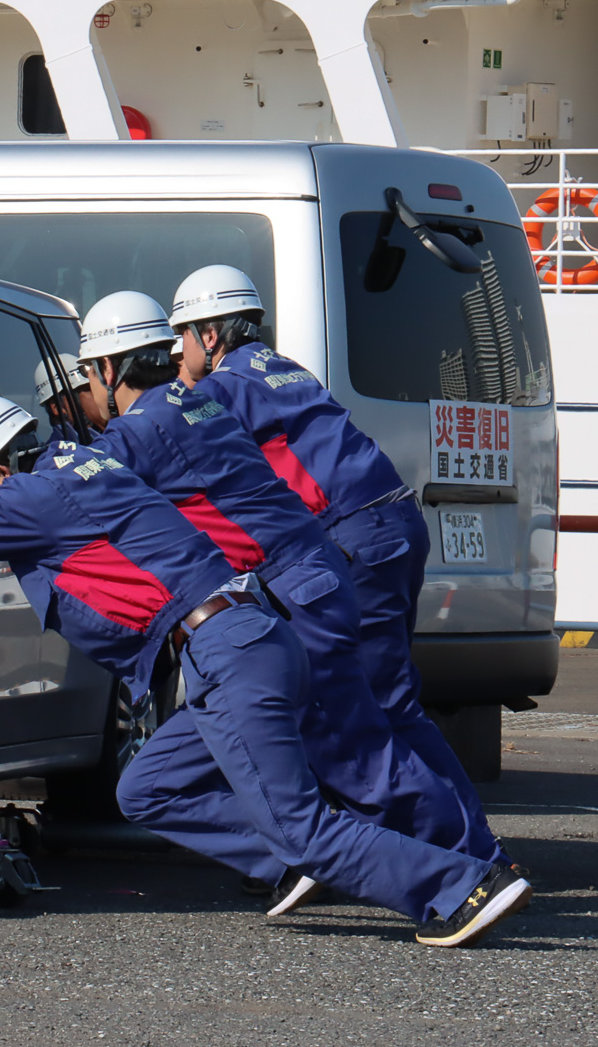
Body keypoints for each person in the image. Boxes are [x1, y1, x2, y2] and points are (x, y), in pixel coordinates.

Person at [0, 396, 527, 946]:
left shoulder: (28, 498)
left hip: (228, 654)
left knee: (304, 822)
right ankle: (289, 861)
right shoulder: (79, 464)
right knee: (146, 787)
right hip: (249, 639)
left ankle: (458, 887)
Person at [75, 291, 507, 906]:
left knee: (363, 730)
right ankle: (453, 856)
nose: (179, 361)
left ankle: (473, 866)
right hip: (387, 528)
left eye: (183, 343)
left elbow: (155, 442)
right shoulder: (281, 366)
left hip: (341, 542)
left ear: (209, 334)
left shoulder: (220, 388)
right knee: (390, 711)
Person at [36, 351, 93, 447]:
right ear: (57, 407)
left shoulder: (104, 435)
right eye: (82, 392)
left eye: (92, 389)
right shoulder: (58, 454)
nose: (92, 397)